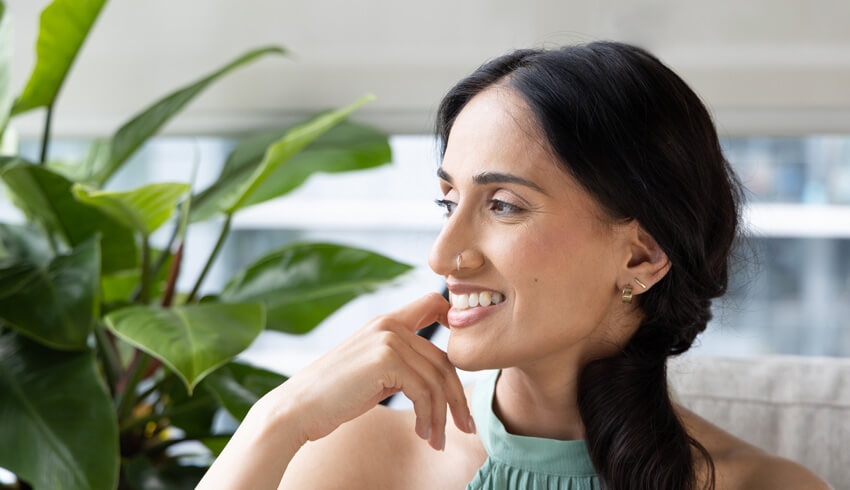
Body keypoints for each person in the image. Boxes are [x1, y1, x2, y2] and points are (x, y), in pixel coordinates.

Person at [196, 41, 833, 490]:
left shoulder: (769, 486)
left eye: (503, 205)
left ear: (641, 255)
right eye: (448, 201)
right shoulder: (356, 458)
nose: (444, 255)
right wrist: (280, 419)